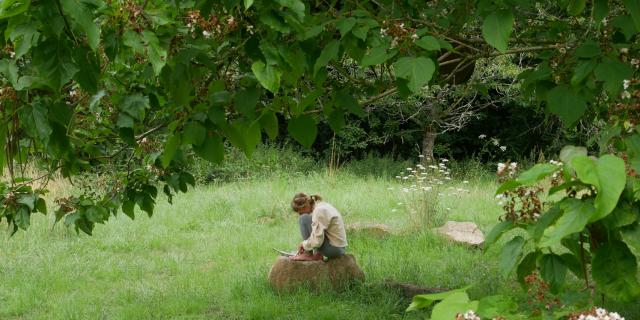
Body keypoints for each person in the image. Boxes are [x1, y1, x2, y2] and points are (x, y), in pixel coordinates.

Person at [290, 193, 348, 261]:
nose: (300, 214)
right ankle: (317, 254)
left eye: (300, 212)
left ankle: (308, 254)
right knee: (308, 219)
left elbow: (317, 241)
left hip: (334, 250)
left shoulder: (318, 211)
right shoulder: (321, 205)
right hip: (339, 248)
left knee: (303, 219)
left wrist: (304, 244)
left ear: (304, 206)